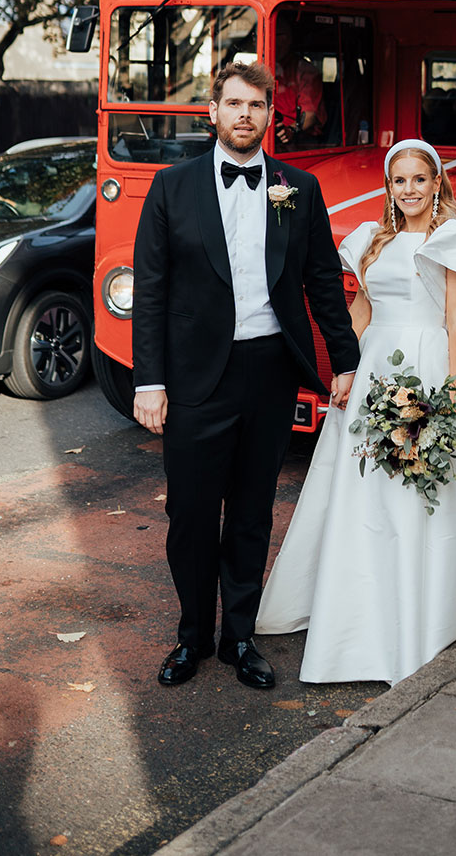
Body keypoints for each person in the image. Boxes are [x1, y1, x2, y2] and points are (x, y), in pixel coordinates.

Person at [255, 139, 456, 684]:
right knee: (361, 487)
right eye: (399, 181)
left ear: (436, 183)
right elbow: (361, 310)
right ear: (389, 188)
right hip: (375, 370)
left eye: (420, 179)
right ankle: (357, 608)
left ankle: (423, 606)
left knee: (425, 489)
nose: (409, 190)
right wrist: (344, 369)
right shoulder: (372, 240)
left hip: (430, 367)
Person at [132, 60, 359, 690]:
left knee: (254, 511)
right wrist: (149, 381)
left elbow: (321, 282)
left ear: (269, 117)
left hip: (268, 371)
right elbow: (150, 292)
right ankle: (191, 637)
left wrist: (344, 359)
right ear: (213, 111)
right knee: (192, 515)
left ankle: (239, 637)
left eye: (256, 106)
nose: (244, 116)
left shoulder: (299, 189)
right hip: (195, 378)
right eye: (233, 104)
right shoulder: (171, 188)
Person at [272, 15, 326, 148]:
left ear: (286, 39)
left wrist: (290, 130)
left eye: (276, 35)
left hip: (300, 141)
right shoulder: (262, 68)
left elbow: (309, 115)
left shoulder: (305, 71)